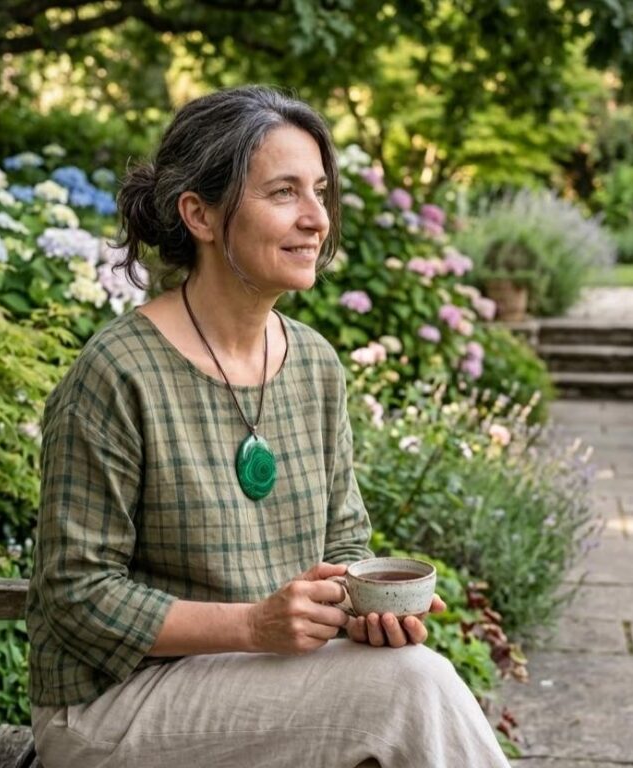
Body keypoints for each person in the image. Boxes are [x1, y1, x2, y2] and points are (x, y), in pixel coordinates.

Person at [26, 85, 511, 768]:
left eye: (319, 191)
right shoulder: (116, 373)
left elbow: (344, 539)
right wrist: (253, 624)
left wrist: (363, 606)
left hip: (257, 679)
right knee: (412, 690)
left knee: (407, 675)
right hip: (114, 706)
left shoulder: (313, 362)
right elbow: (76, 594)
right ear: (199, 213)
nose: (317, 218)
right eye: (284, 193)